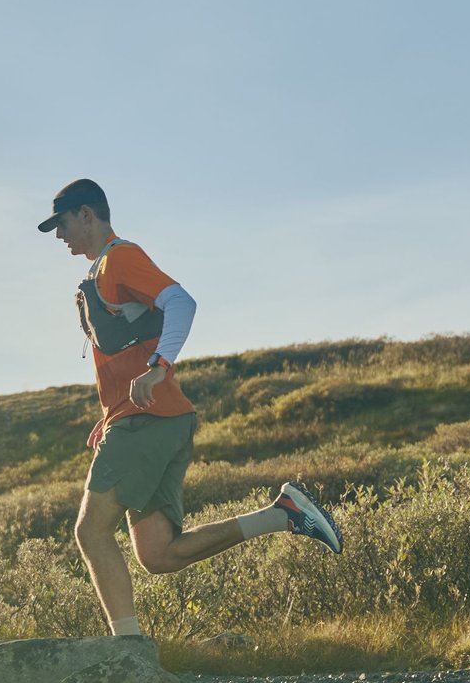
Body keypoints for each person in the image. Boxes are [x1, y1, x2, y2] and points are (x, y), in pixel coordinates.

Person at [39, 179, 343, 640]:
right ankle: (284, 513)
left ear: (86, 215)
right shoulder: (101, 269)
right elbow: (128, 346)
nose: (59, 236)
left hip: (147, 420)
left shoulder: (120, 257)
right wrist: (110, 413)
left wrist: (160, 368)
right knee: (159, 555)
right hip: (157, 419)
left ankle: (129, 651)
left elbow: (181, 301)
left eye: (61, 224)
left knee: (90, 533)